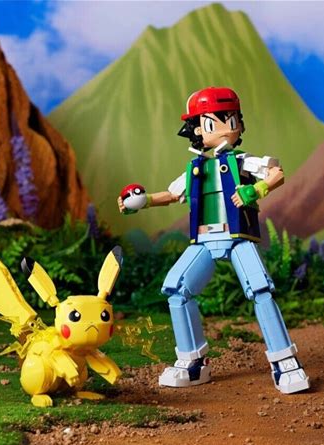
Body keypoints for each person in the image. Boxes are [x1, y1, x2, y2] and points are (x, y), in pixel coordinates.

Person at [117, 87, 309, 394]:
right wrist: (141, 202)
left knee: (260, 290)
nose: (226, 128)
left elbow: (276, 173)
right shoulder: (196, 169)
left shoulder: (242, 162)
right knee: (177, 290)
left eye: (231, 120)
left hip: (237, 237)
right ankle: (192, 362)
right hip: (205, 241)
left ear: (239, 124)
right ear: (196, 130)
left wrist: (255, 190)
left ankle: (285, 361)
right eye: (213, 122)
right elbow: (172, 195)